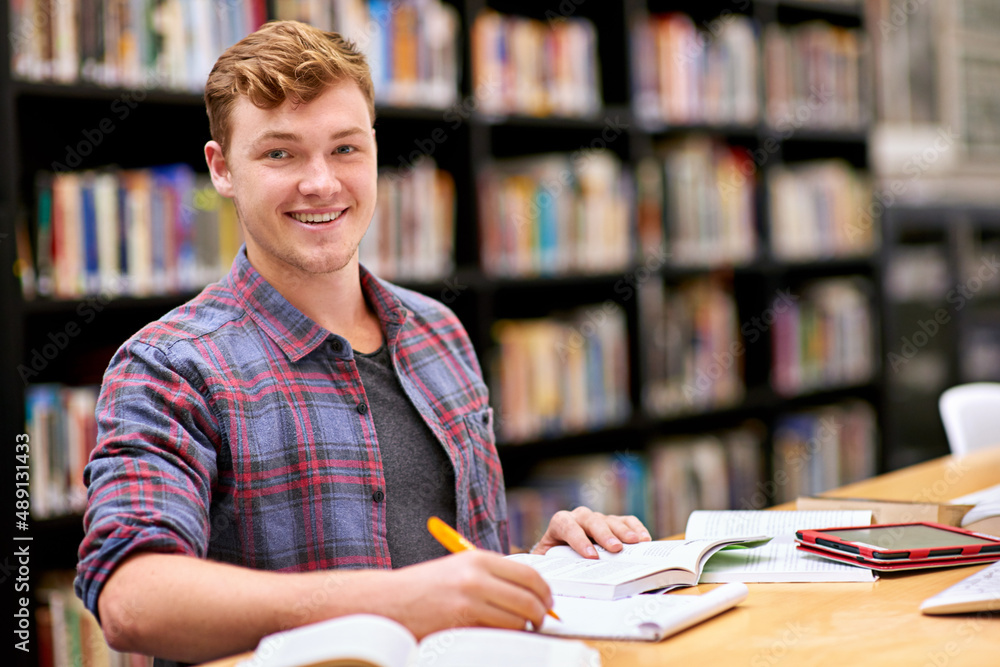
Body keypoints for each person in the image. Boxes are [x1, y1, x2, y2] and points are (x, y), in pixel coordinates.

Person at [75, 20, 651, 666]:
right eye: (279, 154)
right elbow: (133, 598)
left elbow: (451, 570)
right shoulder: (168, 365)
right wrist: (388, 599)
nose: (320, 182)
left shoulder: (439, 332)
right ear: (222, 169)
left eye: (345, 149)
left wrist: (535, 572)